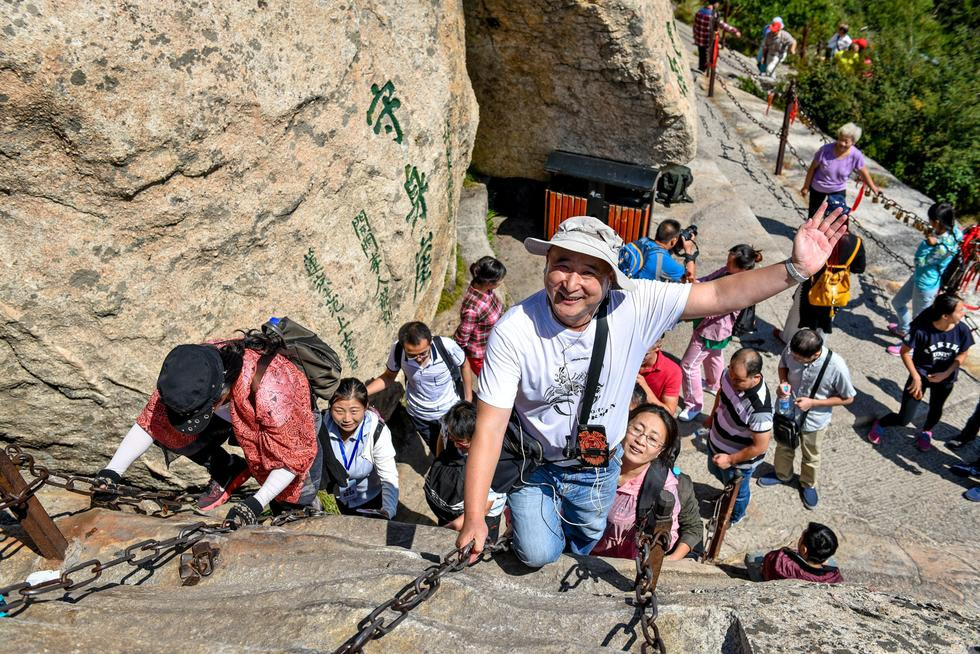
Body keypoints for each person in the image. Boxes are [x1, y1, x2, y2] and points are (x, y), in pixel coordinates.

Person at [456, 209, 846, 566]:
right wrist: (475, 516)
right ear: (546, 263)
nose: (571, 283)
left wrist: (794, 269)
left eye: (590, 271)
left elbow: (718, 294)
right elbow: (490, 427)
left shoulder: (634, 303)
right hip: (536, 463)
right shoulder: (515, 329)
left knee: (587, 537)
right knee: (538, 553)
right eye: (561, 264)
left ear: (610, 277)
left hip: (598, 466)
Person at [94, 332, 322, 526]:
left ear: (221, 390)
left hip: (290, 426)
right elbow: (150, 424)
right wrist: (111, 472)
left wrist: (255, 503)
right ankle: (228, 470)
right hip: (237, 415)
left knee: (293, 499)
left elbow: (292, 459)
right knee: (171, 430)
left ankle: (301, 512)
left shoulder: (273, 393)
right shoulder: (190, 370)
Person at [757, 329, 855, 509]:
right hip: (787, 412)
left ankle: (807, 484)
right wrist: (783, 382)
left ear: (816, 354)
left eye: (799, 359)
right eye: (793, 355)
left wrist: (813, 403)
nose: (794, 359)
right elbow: (783, 366)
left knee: (811, 455)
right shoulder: (794, 348)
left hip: (814, 421)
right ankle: (782, 474)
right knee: (784, 446)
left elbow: (848, 398)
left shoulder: (837, 366)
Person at [591, 405, 702, 561]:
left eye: (652, 439)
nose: (641, 441)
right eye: (636, 429)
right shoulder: (593, 461)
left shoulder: (665, 488)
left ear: (661, 450)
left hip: (625, 568)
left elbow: (668, 536)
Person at [869, 293, 974, 451]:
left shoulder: (962, 330)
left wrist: (946, 373)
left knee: (936, 408)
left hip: (945, 379)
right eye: (960, 311)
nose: (963, 313)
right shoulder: (921, 330)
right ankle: (881, 423)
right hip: (921, 376)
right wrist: (916, 377)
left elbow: (963, 353)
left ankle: (926, 432)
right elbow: (905, 352)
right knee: (904, 419)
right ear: (945, 315)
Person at [679, 245, 763, 422]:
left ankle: (694, 404)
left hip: (711, 329)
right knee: (714, 356)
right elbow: (708, 280)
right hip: (719, 330)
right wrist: (695, 284)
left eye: (730, 262)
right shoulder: (728, 272)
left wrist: (691, 306)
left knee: (688, 365)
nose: (726, 264)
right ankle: (712, 383)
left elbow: (716, 309)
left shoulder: (741, 287)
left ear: (742, 267)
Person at [366, 321, 473, 453]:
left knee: (455, 453)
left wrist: (468, 399)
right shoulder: (398, 350)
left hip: (449, 411)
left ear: (430, 342)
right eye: (411, 355)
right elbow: (388, 377)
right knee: (436, 450)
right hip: (420, 415)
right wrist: (363, 393)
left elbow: (464, 364)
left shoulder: (446, 346)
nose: (419, 359)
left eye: (423, 353)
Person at [777, 200, 865, 345]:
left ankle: (787, 339)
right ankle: (817, 347)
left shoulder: (819, 237)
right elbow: (859, 268)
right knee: (826, 320)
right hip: (836, 289)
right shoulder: (857, 242)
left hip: (812, 284)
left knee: (797, 315)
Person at [704, 348, 773, 526]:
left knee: (739, 492)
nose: (732, 381)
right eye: (732, 375)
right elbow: (721, 393)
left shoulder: (759, 409)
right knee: (717, 473)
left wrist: (730, 459)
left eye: (739, 380)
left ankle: (735, 516)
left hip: (737, 461)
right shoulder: (729, 374)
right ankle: (727, 495)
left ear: (755, 378)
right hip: (717, 443)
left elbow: (760, 447)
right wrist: (712, 417)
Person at [424, 401, 507, 540]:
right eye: (452, 438)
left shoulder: (494, 460)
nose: (455, 444)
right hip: (451, 510)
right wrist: (441, 462)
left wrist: (446, 531)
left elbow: (484, 508)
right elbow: (441, 438)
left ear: (475, 436)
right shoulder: (450, 427)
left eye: (460, 441)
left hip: (485, 517)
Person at [886, 203, 963, 354]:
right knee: (898, 302)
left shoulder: (938, 246)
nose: (929, 222)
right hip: (919, 277)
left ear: (937, 221)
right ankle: (903, 329)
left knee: (919, 320)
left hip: (926, 284)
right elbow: (952, 239)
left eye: (930, 219)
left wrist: (926, 244)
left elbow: (919, 262)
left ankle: (910, 347)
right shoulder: (956, 234)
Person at [319, 378, 398, 519]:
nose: (347, 418)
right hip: (341, 497)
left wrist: (388, 510)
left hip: (372, 498)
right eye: (339, 411)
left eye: (354, 411)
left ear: (366, 406)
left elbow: (388, 476)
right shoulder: (321, 426)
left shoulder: (376, 431)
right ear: (330, 407)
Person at [799, 123, 880, 219]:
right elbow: (812, 168)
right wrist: (806, 186)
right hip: (818, 186)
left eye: (846, 142)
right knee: (813, 216)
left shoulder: (856, 155)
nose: (842, 143)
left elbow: (864, 172)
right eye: (840, 139)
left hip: (837, 189)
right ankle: (809, 233)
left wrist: (873, 188)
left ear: (853, 142)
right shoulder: (825, 150)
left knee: (836, 217)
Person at [454, 256, 507, 377]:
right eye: (500, 280)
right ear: (489, 283)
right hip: (480, 354)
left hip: (492, 344)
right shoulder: (472, 309)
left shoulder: (484, 289)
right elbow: (462, 337)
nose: (501, 282)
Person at [760, 523, 843, 583]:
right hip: (815, 574)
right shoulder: (834, 575)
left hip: (769, 578)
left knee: (753, 557)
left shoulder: (780, 559)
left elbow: (767, 562)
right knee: (832, 562)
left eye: (801, 538)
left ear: (804, 549)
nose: (799, 540)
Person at [618, 219, 697, 283]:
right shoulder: (666, 262)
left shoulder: (644, 240)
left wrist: (675, 246)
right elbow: (690, 280)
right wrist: (688, 250)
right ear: (673, 241)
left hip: (621, 280)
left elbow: (658, 252)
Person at [636, 337, 682, 416]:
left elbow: (668, 412)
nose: (638, 356)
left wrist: (644, 387)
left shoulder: (672, 371)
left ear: (657, 347)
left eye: (645, 354)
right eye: (635, 351)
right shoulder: (628, 358)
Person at [692, 1, 740, 73]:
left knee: (702, 55)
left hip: (699, 39)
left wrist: (695, 35)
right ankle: (704, 71)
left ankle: (701, 69)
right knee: (708, 57)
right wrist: (735, 31)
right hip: (708, 41)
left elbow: (695, 25)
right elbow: (722, 25)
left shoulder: (700, 11)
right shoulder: (713, 15)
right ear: (715, 3)